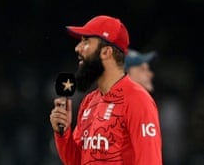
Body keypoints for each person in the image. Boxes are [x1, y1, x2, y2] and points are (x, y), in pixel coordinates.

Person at [49, 15, 162, 164]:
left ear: (106, 52)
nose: (77, 48)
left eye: (86, 41)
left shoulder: (137, 99)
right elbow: (77, 161)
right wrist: (63, 135)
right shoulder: (89, 101)